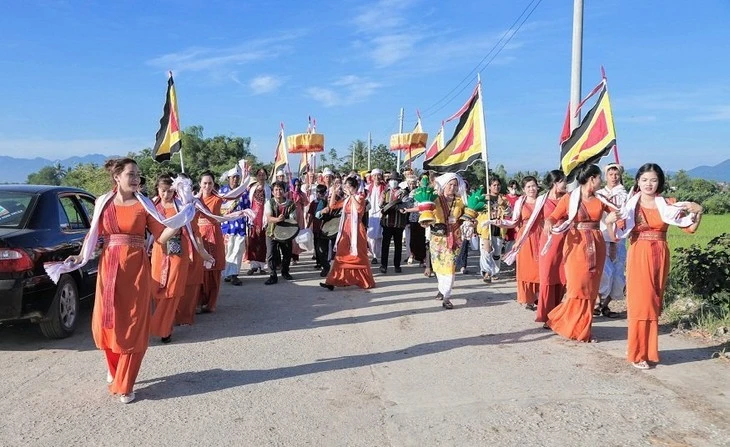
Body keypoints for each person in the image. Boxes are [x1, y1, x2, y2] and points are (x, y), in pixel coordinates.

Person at [62, 158, 192, 404]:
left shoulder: (144, 205)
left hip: (136, 272)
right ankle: (114, 369)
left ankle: (126, 383)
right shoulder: (103, 203)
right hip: (109, 271)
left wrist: (180, 220)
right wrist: (79, 256)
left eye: (138, 175)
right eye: (131, 174)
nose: (136, 179)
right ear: (117, 177)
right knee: (109, 322)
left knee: (133, 324)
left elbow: (161, 236)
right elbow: (93, 235)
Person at [608, 163, 702, 369]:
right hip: (639, 253)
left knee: (654, 303)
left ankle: (646, 349)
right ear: (638, 182)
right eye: (644, 180)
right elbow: (616, 235)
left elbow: (691, 228)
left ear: (659, 182)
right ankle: (637, 351)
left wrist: (698, 212)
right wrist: (608, 222)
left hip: (660, 254)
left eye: (653, 180)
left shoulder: (669, 204)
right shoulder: (630, 207)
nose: (649, 184)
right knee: (641, 302)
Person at [543, 164, 617, 342]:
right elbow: (554, 216)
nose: (602, 181)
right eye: (600, 178)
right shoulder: (570, 198)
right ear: (592, 178)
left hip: (597, 244)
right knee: (577, 287)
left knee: (591, 289)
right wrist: (549, 222)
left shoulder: (601, 199)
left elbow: (619, 213)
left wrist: (615, 221)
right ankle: (565, 322)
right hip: (576, 245)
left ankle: (583, 329)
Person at [150, 174, 213, 343]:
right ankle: (162, 322)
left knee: (173, 290)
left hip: (178, 251)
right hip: (159, 250)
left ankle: (165, 328)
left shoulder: (182, 206)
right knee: (158, 288)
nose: (166, 195)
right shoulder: (151, 206)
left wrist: (201, 251)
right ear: (157, 189)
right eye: (163, 191)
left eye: (170, 191)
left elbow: (195, 231)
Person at [490, 176, 542, 310]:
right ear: (524, 189)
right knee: (527, 269)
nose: (531, 189)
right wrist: (501, 222)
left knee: (541, 268)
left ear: (538, 187)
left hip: (542, 236)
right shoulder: (521, 202)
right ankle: (529, 299)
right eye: (528, 187)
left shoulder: (543, 201)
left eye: (533, 186)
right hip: (525, 238)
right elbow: (514, 221)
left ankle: (540, 296)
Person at [319, 177, 375, 290]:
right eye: (345, 186)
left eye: (348, 186)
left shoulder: (360, 197)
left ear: (354, 187)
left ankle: (365, 280)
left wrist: (352, 196)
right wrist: (334, 191)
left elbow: (359, 209)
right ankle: (332, 281)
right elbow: (332, 206)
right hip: (346, 228)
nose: (346, 188)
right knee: (341, 255)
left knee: (359, 255)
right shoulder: (346, 200)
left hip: (357, 229)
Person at [426, 173, 466, 309]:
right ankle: (442, 289)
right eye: (450, 184)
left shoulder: (460, 201)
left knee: (450, 268)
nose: (452, 187)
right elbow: (426, 211)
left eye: (455, 185)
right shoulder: (436, 199)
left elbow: (467, 215)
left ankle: (447, 296)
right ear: (445, 185)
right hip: (437, 239)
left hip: (454, 238)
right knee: (438, 267)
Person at [594, 163, 628, 317]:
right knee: (603, 273)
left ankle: (605, 305)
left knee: (617, 274)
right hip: (602, 237)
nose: (614, 177)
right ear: (605, 176)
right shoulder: (598, 194)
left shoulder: (625, 195)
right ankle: (597, 302)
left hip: (619, 239)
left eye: (616, 174)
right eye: (610, 174)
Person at [535, 170, 568, 323]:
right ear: (555, 183)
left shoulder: (568, 199)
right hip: (548, 241)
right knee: (547, 276)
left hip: (565, 241)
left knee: (562, 277)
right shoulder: (542, 199)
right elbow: (535, 220)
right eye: (563, 181)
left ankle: (556, 314)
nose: (565, 184)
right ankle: (545, 314)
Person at [197, 171, 226, 313]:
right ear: (200, 184)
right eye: (205, 183)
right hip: (200, 235)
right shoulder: (194, 200)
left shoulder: (218, 199)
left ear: (213, 184)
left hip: (214, 233)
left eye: (210, 183)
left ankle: (211, 303)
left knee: (214, 269)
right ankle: (199, 301)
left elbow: (233, 198)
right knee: (200, 269)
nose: (207, 186)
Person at [219, 169, 249, 286]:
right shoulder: (223, 192)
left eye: (237, 177)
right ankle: (227, 273)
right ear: (228, 179)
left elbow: (247, 207)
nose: (235, 179)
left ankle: (234, 274)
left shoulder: (243, 192)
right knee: (228, 250)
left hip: (240, 225)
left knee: (238, 250)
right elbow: (219, 209)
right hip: (227, 226)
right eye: (233, 177)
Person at [264, 181, 297, 285]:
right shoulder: (270, 202)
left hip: (286, 232)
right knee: (270, 254)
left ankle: (285, 271)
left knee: (287, 253)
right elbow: (269, 218)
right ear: (273, 192)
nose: (278, 192)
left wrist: (289, 219)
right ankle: (272, 275)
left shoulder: (290, 204)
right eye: (276, 190)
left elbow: (293, 218)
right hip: (272, 232)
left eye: (280, 189)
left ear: (284, 191)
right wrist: (278, 219)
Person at [481, 177, 510, 281]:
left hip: (498, 228)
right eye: (494, 185)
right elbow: (477, 211)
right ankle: (486, 272)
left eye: (498, 185)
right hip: (486, 228)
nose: (496, 187)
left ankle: (494, 271)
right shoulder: (483, 198)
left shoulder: (503, 199)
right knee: (486, 251)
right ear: (489, 186)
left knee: (497, 253)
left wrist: (503, 204)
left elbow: (508, 213)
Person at [244, 168, 271, 275]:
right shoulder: (252, 188)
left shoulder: (268, 189)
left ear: (266, 176)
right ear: (256, 176)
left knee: (262, 241)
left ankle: (261, 266)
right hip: (253, 217)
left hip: (263, 216)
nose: (261, 176)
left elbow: (268, 203)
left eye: (263, 174)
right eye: (259, 174)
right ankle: (253, 265)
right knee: (252, 240)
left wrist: (267, 217)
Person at [379, 175, 408, 274]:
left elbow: (405, 205)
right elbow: (380, 205)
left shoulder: (403, 192)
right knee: (385, 245)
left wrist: (393, 206)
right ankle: (384, 265)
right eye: (392, 180)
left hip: (398, 223)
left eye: (395, 180)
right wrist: (383, 201)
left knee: (398, 245)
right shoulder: (385, 192)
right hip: (386, 222)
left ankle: (397, 265)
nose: (393, 181)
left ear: (398, 181)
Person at [402, 175, 427, 267]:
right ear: (419, 182)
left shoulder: (429, 191)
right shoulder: (415, 192)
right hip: (414, 218)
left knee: (424, 240)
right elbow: (407, 201)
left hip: (425, 218)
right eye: (422, 180)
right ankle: (415, 255)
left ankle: (423, 259)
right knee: (414, 239)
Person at [307, 184, 331, 276]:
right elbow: (311, 215)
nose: (320, 194)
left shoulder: (327, 202)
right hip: (316, 227)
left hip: (325, 229)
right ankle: (319, 262)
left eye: (322, 192)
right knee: (317, 246)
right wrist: (308, 226)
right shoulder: (314, 203)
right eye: (318, 192)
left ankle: (325, 263)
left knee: (324, 248)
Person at [366, 169, 386, 264]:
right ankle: (374, 255)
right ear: (372, 177)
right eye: (375, 176)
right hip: (371, 215)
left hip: (381, 214)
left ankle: (378, 254)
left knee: (380, 236)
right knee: (371, 236)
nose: (377, 178)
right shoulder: (368, 188)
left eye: (378, 175)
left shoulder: (385, 188)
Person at [289, 177, 308, 264]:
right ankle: (289, 256)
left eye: (298, 185)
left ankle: (295, 257)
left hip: (299, 215)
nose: (297, 187)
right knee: (290, 236)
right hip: (291, 216)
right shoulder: (289, 194)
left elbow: (306, 202)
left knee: (298, 236)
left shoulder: (302, 194)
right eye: (295, 185)